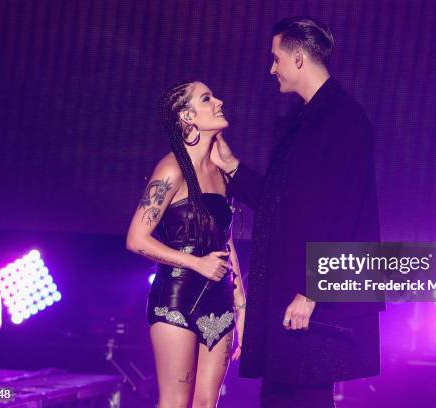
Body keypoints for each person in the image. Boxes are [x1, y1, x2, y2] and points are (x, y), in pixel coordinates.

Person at [210, 17, 384, 407]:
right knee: (279, 392)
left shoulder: (344, 119)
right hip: (286, 288)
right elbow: (282, 201)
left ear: (299, 58)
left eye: (276, 59)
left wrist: (312, 289)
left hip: (309, 292)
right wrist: (234, 168)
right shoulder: (299, 120)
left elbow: (344, 212)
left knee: (305, 394)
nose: (272, 69)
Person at [126, 81, 246, 408]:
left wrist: (241, 306)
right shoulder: (171, 168)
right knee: (176, 404)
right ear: (187, 116)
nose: (219, 101)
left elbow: (226, 241)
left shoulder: (221, 173)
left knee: (206, 405)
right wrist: (197, 263)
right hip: (177, 296)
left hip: (219, 297)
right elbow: (136, 239)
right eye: (207, 98)